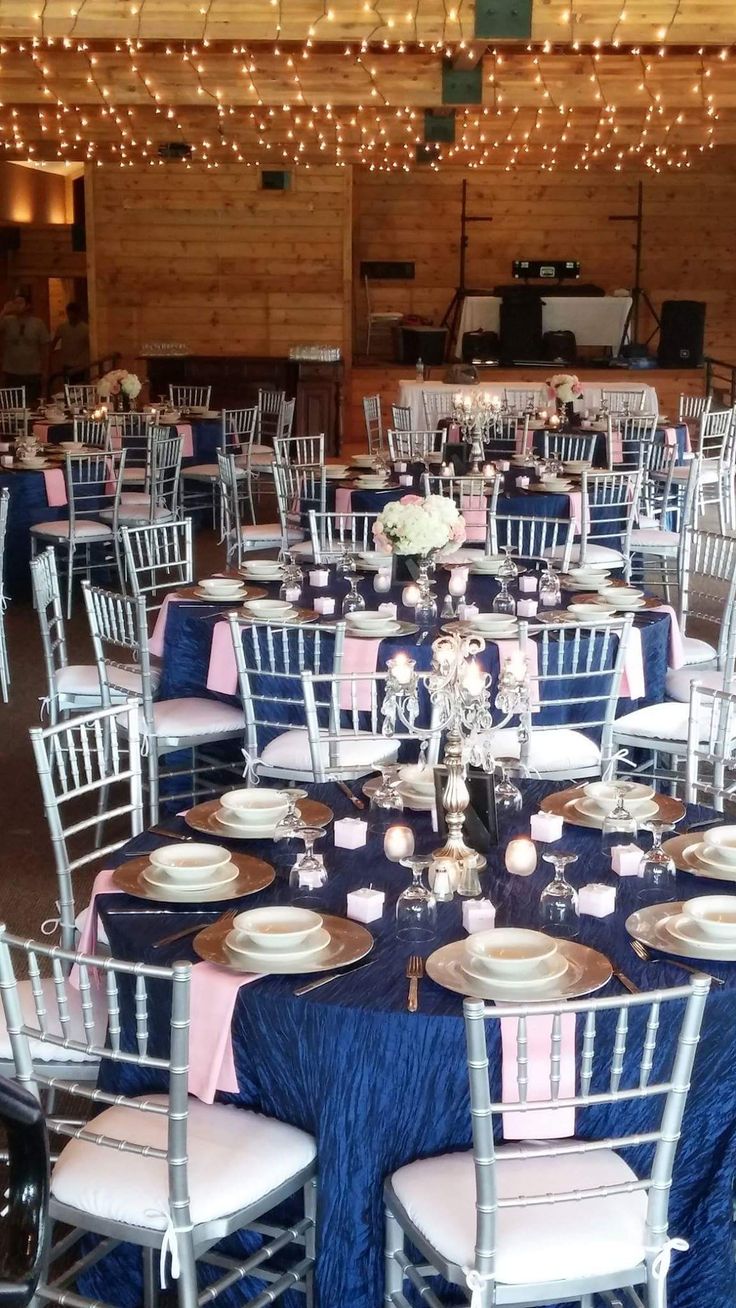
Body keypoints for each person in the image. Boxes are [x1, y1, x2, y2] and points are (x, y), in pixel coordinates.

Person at [0, 291, 50, 408]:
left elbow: (45, 350)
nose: (17, 305)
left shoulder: (38, 323)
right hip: (11, 372)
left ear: (28, 305)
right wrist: (4, 311)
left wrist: (45, 372)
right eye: (15, 302)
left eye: (20, 303)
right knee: (12, 406)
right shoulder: (7, 321)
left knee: (31, 406)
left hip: (32, 373)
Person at [51, 301, 90, 384]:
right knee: (67, 386)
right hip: (67, 364)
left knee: (80, 387)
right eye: (69, 313)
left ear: (78, 313)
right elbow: (54, 342)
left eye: (73, 313)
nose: (71, 315)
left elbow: (90, 345)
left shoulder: (85, 329)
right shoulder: (62, 327)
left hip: (80, 365)